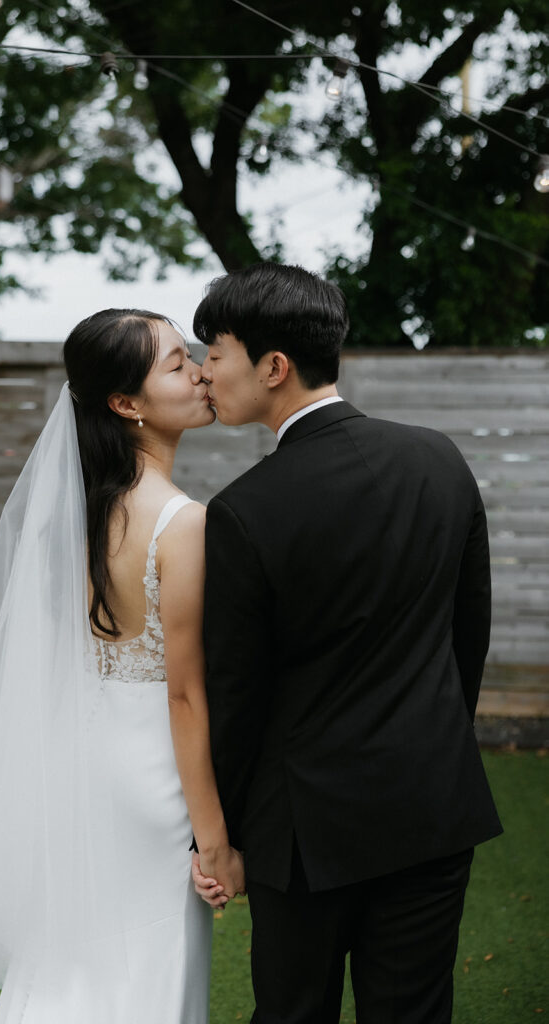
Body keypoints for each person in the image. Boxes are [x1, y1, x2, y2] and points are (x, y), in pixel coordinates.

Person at [191, 263, 503, 1024]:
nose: (205, 373)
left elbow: (236, 692)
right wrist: (430, 741)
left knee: (294, 1012)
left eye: (216, 352)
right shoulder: (438, 459)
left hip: (300, 833)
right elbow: (470, 632)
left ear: (273, 366)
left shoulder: (242, 511)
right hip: (432, 801)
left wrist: (221, 833)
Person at [0, 309, 243, 1024]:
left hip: (77, 763)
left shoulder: (71, 514)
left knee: (70, 960)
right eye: (176, 364)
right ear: (125, 403)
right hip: (150, 779)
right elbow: (183, 697)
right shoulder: (182, 523)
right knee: (148, 968)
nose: (201, 370)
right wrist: (216, 840)